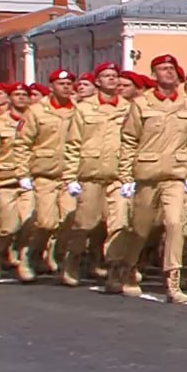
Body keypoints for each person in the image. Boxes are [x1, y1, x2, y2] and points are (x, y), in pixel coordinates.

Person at [110, 55, 187, 302]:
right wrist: (126, 176)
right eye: (163, 68)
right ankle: (129, 267)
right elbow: (129, 140)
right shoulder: (141, 104)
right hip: (147, 174)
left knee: (175, 224)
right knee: (141, 228)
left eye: (172, 68)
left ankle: (173, 280)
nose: (169, 73)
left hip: (175, 174)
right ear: (153, 75)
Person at [60, 63, 129, 288]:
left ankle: (115, 270)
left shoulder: (127, 108)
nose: (111, 79)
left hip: (118, 176)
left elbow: (132, 142)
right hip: (90, 174)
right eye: (106, 76)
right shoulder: (84, 109)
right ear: (97, 81)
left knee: (119, 223)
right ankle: (74, 258)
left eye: (114, 76)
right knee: (85, 224)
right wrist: (70, 177)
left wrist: (130, 177)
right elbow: (73, 144)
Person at [13, 69, 77, 281]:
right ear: (51, 87)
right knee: (46, 222)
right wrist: (22, 173)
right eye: (61, 84)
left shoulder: (78, 110)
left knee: (70, 220)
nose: (66, 87)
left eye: (69, 83)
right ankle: (29, 256)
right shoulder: (37, 112)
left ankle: (60, 261)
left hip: (70, 175)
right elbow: (22, 143)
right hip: (44, 174)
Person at [0, 84, 34, 280]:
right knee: (9, 226)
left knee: (29, 223)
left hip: (28, 181)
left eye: (25, 95)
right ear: (9, 98)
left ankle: (24, 262)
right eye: (17, 95)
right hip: (5, 180)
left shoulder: (35, 121)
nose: (22, 98)